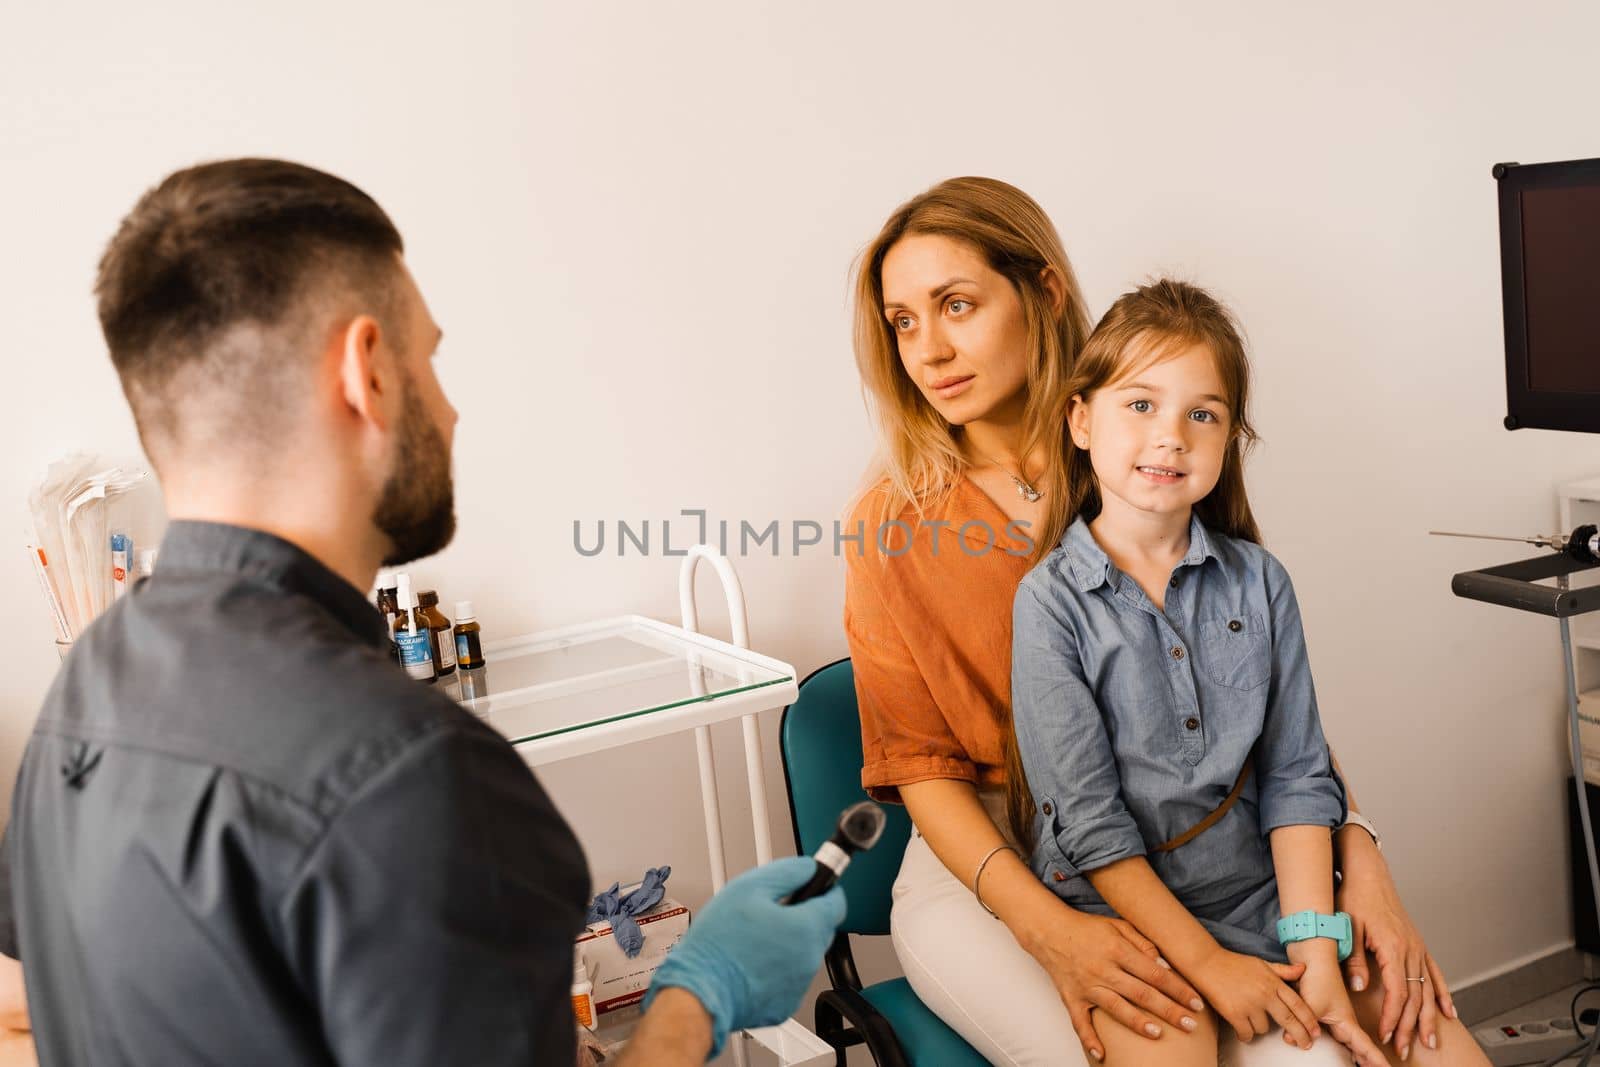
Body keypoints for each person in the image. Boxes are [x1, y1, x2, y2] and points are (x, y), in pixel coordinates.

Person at [0, 158, 844, 1066]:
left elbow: (26, 1011)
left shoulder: (82, 689)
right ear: (367, 371)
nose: (449, 407)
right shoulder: (410, 774)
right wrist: (699, 993)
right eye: (431, 358)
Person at [843, 177, 1466, 1066]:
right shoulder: (893, 524)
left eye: (956, 305)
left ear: (1045, 292)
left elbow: (1253, 701)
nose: (929, 348)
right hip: (999, 866)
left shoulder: (1142, 442)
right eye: (903, 321)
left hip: (1207, 841)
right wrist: (1053, 933)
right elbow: (922, 770)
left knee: (1405, 1020)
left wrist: (1361, 857)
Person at [1009, 279, 1487, 1066]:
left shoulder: (1260, 582)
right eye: (1140, 405)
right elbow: (1091, 827)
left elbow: (1298, 776)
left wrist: (1319, 952)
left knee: (1432, 1039)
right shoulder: (1050, 603)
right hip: (1120, 909)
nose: (1171, 437)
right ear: (1080, 418)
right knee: (1178, 1044)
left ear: (1230, 438)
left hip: (1258, 890)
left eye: (1203, 413)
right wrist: (1208, 966)